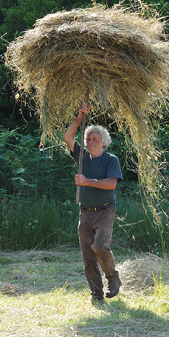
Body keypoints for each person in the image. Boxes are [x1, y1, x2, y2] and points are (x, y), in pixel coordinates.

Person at [63, 103, 123, 301]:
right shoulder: (81, 157)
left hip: (105, 211)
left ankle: (113, 278)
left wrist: (87, 181)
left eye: (94, 139)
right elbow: (67, 137)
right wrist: (79, 118)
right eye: (88, 139)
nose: (90, 141)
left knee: (99, 246)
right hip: (85, 212)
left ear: (104, 142)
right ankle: (97, 293)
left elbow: (111, 184)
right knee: (88, 256)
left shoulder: (111, 160)